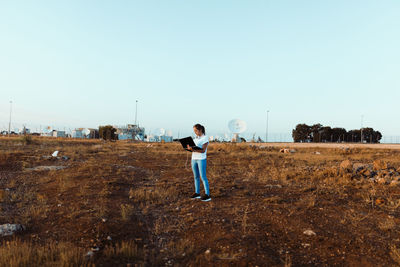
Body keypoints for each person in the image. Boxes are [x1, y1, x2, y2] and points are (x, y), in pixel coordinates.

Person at [187, 124, 211, 202]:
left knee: (203, 177)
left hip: (201, 159)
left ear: (200, 130)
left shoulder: (205, 138)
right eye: (194, 131)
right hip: (194, 159)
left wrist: (193, 149)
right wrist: (189, 148)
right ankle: (197, 193)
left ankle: (207, 194)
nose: (195, 132)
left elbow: (203, 150)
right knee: (196, 177)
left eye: (196, 130)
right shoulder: (195, 139)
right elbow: (193, 149)